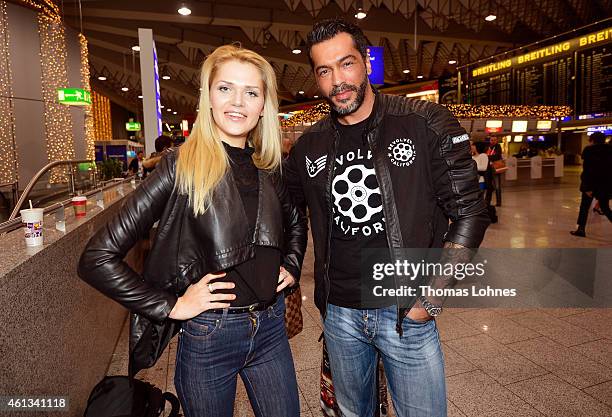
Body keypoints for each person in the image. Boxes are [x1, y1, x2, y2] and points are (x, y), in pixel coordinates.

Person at [78, 44, 307, 417]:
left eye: (251, 92)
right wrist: (173, 305)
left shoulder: (267, 168)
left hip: (270, 329)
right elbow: (97, 257)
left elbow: (297, 220)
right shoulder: (179, 167)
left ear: (263, 105)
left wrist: (293, 265)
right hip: (209, 337)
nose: (238, 102)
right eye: (225, 89)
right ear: (209, 98)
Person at [284, 18, 489, 417]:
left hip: (405, 315)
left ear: (366, 62)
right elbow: (286, 207)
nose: (337, 81)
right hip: (340, 315)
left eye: (346, 64)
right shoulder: (310, 145)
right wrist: (291, 262)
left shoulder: (424, 123)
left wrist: (431, 299)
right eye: (324, 71)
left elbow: (469, 212)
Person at [570, 132, 612, 237]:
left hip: (591, 184)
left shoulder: (589, 151)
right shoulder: (610, 150)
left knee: (584, 207)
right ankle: (580, 229)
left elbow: (588, 170)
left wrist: (587, 187)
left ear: (592, 140)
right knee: (605, 207)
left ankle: (581, 229)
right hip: (605, 185)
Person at [486, 136, 503, 206]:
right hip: (488, 168)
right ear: (490, 140)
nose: (493, 141)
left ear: (496, 141)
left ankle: (499, 202)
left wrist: (488, 157)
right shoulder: (488, 147)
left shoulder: (498, 147)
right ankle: (487, 201)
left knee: (497, 186)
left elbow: (497, 156)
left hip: (495, 168)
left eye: (494, 140)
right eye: (491, 140)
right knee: (488, 186)